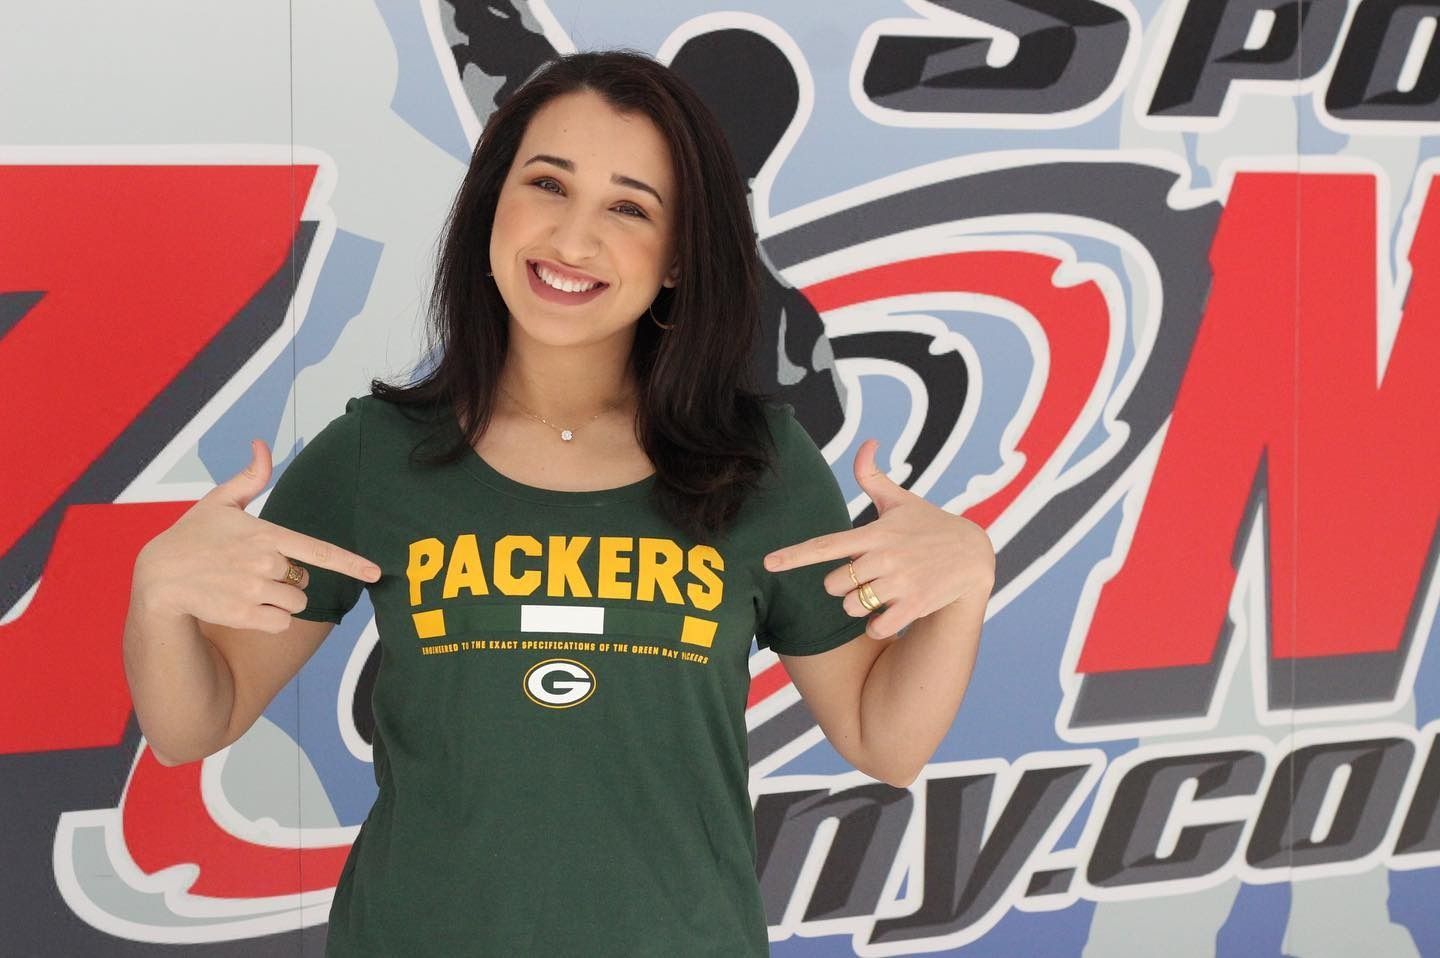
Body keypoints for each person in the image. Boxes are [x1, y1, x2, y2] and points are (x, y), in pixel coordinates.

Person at [123, 50, 994, 957]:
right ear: (493, 205)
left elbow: (882, 739)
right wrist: (158, 596)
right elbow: (195, 725)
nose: (573, 240)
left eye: (628, 207)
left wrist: (967, 582)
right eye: (548, 184)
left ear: (678, 260)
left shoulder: (759, 467)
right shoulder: (374, 457)